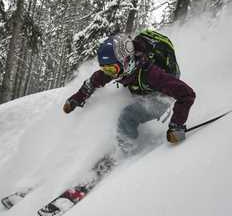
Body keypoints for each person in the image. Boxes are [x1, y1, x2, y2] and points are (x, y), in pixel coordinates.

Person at [63, 30, 196, 156]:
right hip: (142, 90)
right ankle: (125, 142)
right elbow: (94, 80)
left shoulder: (151, 74)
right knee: (119, 108)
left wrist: (177, 127)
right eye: (105, 69)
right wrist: (76, 99)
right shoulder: (120, 69)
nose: (109, 73)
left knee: (127, 116)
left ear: (126, 61)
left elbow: (187, 94)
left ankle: (127, 155)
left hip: (161, 97)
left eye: (111, 69)